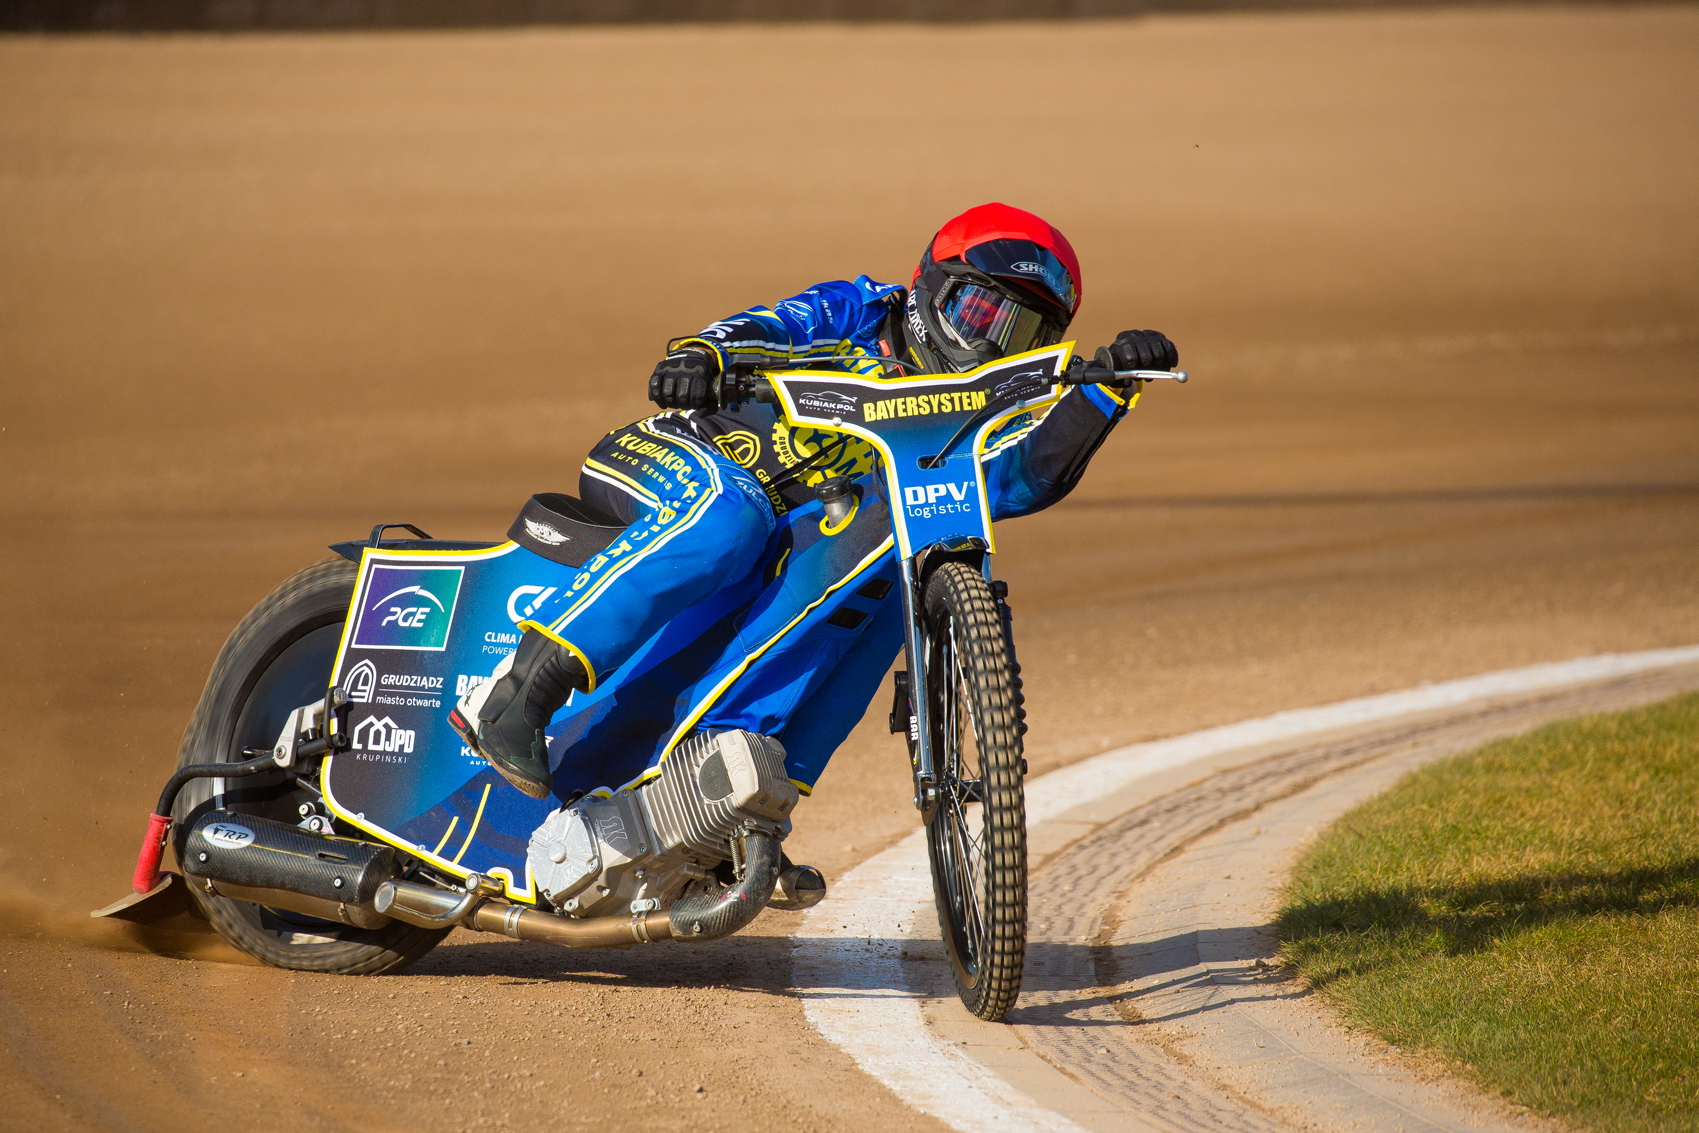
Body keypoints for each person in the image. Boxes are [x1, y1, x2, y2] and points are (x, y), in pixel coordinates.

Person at [448, 202, 1177, 807]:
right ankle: (518, 695)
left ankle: (743, 794)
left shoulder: (985, 413)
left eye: (1022, 333)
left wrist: (1105, 393)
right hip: (683, 453)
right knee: (732, 516)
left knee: (885, 583)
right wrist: (704, 357)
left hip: (787, 533)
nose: (991, 342)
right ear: (931, 287)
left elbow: (1019, 480)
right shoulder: (859, 307)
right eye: (981, 310)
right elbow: (772, 326)